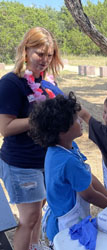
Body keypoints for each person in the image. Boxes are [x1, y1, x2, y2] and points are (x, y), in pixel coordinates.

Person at [28, 92, 107, 243]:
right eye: (75, 119)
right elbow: (89, 194)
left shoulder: (65, 148)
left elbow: (87, 177)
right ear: (63, 130)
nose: (80, 120)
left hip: (69, 217)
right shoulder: (67, 161)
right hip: (67, 225)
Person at [0, 27, 64, 250]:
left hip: (44, 160)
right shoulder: (11, 83)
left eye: (49, 55)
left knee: (38, 213)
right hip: (20, 163)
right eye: (40, 53)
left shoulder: (46, 84)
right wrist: (40, 117)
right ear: (26, 50)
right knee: (28, 219)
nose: (45, 60)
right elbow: (5, 128)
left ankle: (35, 246)